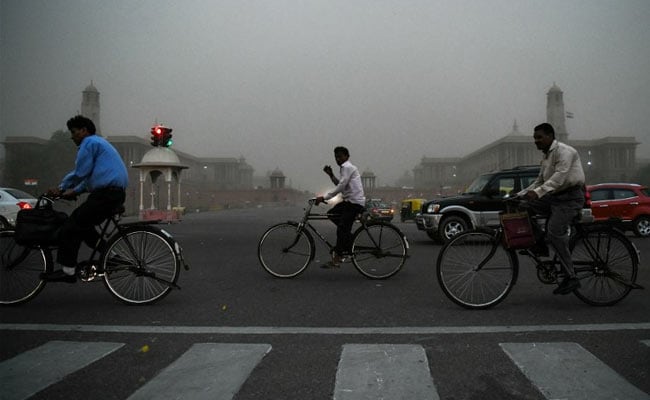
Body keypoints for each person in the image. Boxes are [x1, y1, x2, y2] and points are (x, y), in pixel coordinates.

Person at [41, 115, 128, 283]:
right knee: (85, 229)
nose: (72, 136)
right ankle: (114, 257)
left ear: (84, 130)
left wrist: (61, 187)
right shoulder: (99, 143)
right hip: (113, 194)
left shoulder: (88, 143)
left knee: (71, 226)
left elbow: (81, 173)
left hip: (105, 195)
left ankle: (68, 270)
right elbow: (90, 178)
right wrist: (75, 192)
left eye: (74, 132)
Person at [518, 122, 586, 295]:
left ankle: (571, 277)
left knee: (555, 233)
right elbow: (540, 181)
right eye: (534, 138)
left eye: (539, 137)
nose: (536, 141)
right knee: (521, 206)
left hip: (570, 198)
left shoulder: (565, 152)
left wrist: (538, 192)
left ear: (550, 136)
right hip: (554, 197)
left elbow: (559, 178)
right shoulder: (547, 156)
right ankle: (539, 243)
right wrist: (522, 194)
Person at [315, 146, 366, 268]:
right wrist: (331, 175)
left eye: (340, 156)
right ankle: (349, 240)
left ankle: (338, 257)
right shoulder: (345, 169)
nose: (338, 159)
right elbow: (341, 184)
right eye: (336, 157)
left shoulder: (347, 167)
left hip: (354, 203)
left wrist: (324, 197)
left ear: (347, 156)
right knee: (332, 215)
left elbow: (341, 187)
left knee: (342, 228)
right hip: (349, 202)